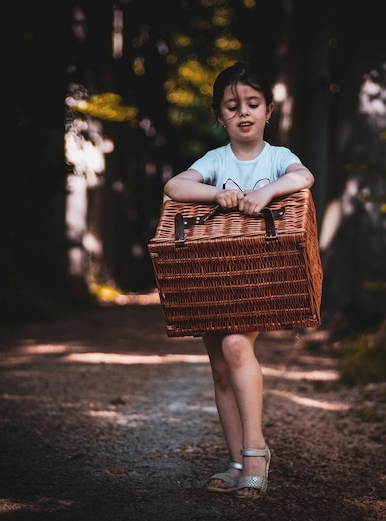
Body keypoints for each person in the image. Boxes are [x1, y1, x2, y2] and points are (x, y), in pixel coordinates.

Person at [163, 61, 315, 499]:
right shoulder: (216, 161)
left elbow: (304, 177)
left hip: (259, 276)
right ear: (220, 116)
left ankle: (255, 453)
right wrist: (218, 193)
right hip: (215, 276)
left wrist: (265, 191)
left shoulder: (278, 157)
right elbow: (175, 187)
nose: (244, 113)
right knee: (220, 368)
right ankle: (235, 462)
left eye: (253, 103)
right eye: (233, 107)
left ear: (269, 110)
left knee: (235, 345)